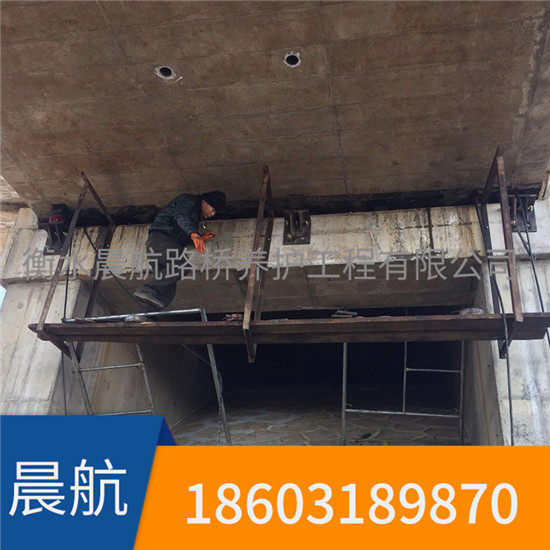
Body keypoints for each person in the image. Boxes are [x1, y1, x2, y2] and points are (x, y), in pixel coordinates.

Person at [133, 190, 226, 311]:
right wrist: (193, 233)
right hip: (162, 239)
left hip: (158, 245)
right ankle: (147, 289)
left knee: (166, 289)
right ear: (205, 202)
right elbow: (181, 216)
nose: (212, 214)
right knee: (181, 266)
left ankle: (146, 315)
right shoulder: (189, 200)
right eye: (213, 209)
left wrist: (198, 237)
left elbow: (181, 230)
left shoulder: (194, 214)